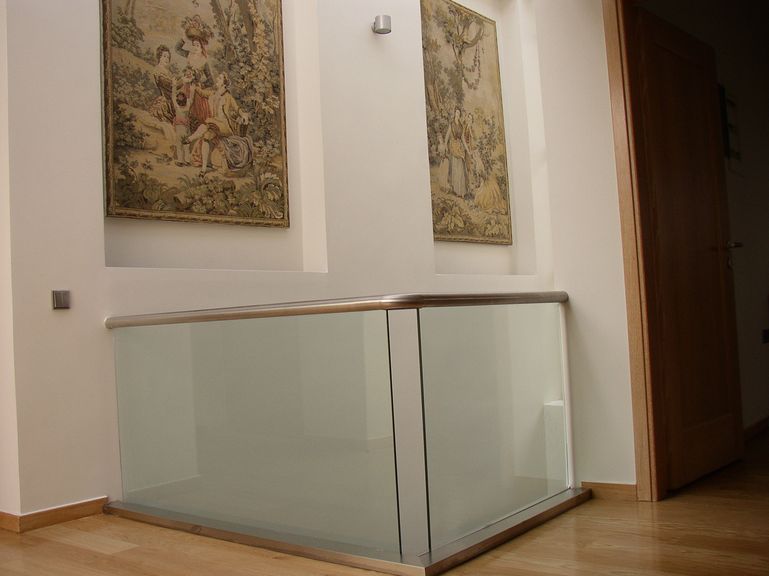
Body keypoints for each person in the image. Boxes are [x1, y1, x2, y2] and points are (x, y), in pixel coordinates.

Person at [185, 72, 252, 176]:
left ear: (224, 83)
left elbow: (237, 108)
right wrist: (192, 83)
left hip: (224, 126)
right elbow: (201, 92)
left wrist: (243, 114)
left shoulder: (228, 97)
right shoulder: (213, 93)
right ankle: (203, 170)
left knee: (207, 124)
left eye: (219, 78)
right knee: (206, 137)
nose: (217, 79)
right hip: (213, 124)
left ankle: (190, 139)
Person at [444, 108, 470, 199]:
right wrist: (445, 145)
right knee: (455, 168)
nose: (458, 114)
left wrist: (467, 150)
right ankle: (456, 189)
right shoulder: (451, 124)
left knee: (461, 169)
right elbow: (447, 136)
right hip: (453, 147)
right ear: (454, 113)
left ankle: (461, 190)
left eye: (459, 113)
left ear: (460, 115)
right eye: (456, 112)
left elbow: (463, 140)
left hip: (459, 148)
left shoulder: (461, 126)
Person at [148, 45, 175, 125]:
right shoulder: (158, 71)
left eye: (168, 57)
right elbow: (169, 85)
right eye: (164, 56)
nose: (166, 59)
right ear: (159, 57)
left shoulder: (167, 72)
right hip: (164, 102)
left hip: (170, 99)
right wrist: (182, 81)